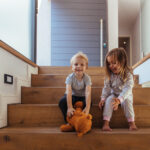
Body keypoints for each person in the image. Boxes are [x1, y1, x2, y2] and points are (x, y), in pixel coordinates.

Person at [99, 48, 137, 131]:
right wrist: (103, 98)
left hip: (125, 95)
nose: (111, 66)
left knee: (127, 102)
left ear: (122, 62)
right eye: (109, 63)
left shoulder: (128, 74)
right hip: (114, 94)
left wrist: (119, 100)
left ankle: (131, 123)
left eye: (114, 63)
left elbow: (128, 88)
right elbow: (106, 88)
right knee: (109, 100)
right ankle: (106, 123)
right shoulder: (109, 75)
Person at [59, 52, 92, 122]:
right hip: (72, 96)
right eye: (76, 64)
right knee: (62, 102)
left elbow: (88, 92)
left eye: (82, 64)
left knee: (89, 103)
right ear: (72, 67)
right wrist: (70, 107)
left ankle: (83, 120)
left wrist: (87, 107)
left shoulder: (87, 78)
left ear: (86, 67)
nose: (79, 66)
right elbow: (69, 91)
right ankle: (68, 120)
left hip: (82, 96)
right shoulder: (70, 78)